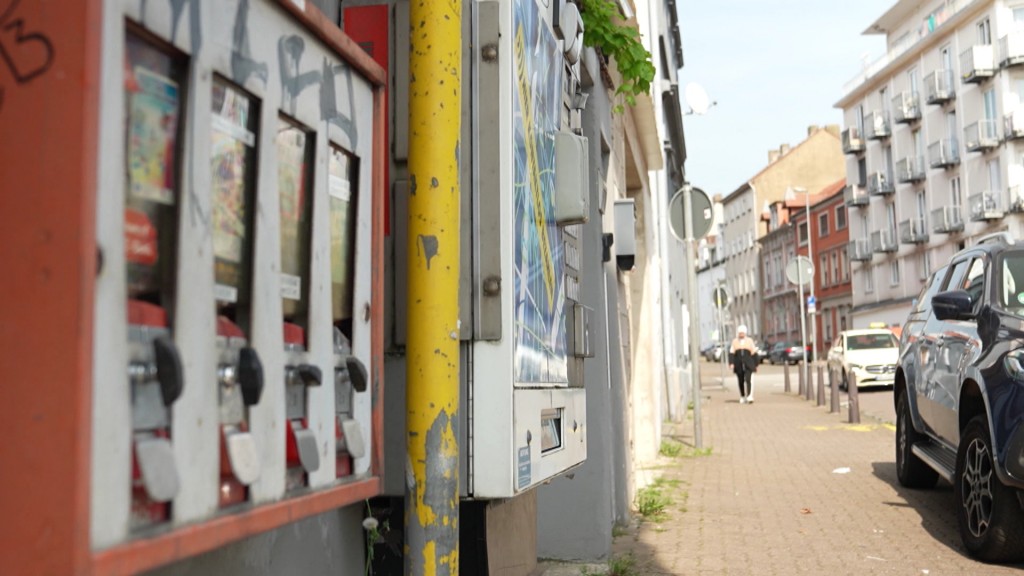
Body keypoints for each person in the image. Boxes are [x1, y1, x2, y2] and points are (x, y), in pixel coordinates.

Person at [729, 324, 758, 404]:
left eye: (743, 333)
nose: (741, 334)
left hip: (749, 364)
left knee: (748, 380)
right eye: (740, 333)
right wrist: (731, 363)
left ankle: (749, 396)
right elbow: (731, 353)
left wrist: (756, 364)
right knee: (740, 381)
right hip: (738, 364)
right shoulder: (735, 342)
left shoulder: (750, 341)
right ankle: (742, 396)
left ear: (745, 333)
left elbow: (754, 353)